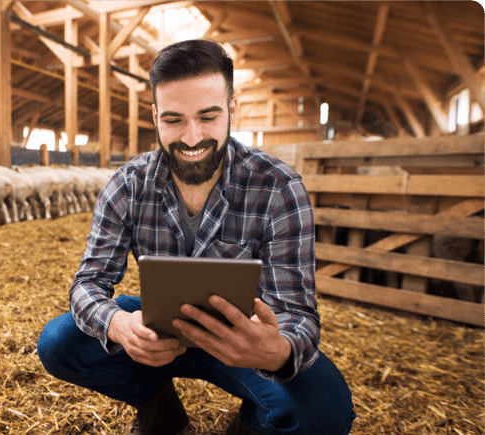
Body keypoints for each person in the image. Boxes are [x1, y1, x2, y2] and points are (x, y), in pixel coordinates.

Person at [37, 39, 355, 435]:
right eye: (173, 120)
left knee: (328, 411)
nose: (191, 138)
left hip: (241, 338)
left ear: (232, 110)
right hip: (160, 330)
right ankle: (158, 405)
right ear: (155, 116)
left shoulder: (278, 187)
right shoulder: (127, 186)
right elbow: (87, 285)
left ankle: (255, 421)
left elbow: (298, 312)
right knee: (58, 342)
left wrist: (277, 350)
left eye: (208, 117)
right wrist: (120, 325)